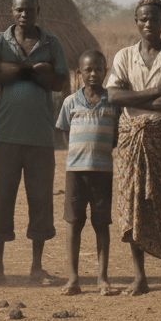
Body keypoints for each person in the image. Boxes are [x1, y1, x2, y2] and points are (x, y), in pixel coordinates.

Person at [105, 0, 161, 296]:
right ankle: (139, 277)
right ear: (136, 21)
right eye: (142, 19)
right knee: (133, 206)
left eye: (154, 19)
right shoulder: (124, 56)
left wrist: (137, 96)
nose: (148, 24)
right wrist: (155, 91)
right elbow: (114, 97)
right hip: (131, 141)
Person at [0, 0, 69, 284]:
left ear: (37, 10)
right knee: (2, 199)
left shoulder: (51, 42)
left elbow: (60, 81)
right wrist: (34, 71)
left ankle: (36, 267)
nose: (24, 15)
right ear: (11, 11)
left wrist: (18, 71)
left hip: (41, 136)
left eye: (29, 10)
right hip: (5, 134)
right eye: (19, 10)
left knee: (41, 201)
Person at [56, 49, 122, 296]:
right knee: (73, 223)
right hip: (75, 171)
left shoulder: (113, 101)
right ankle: (73, 278)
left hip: (103, 171)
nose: (93, 74)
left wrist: (101, 153)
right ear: (79, 72)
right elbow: (65, 131)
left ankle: (102, 278)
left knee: (101, 223)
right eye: (88, 70)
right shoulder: (70, 102)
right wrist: (77, 155)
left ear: (106, 71)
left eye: (98, 69)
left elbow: (117, 134)